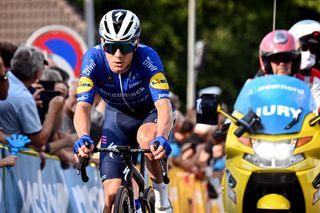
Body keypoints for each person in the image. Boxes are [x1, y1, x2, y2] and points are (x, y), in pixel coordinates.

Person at [73, 9, 174, 213]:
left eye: (125, 47)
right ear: (102, 43)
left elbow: (164, 105)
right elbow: (83, 106)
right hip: (117, 117)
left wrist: (162, 137)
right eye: (111, 47)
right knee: (111, 196)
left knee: (147, 140)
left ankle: (162, 196)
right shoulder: (93, 59)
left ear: (135, 44)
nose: (118, 55)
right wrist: (83, 136)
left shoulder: (148, 58)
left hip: (148, 114)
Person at [0, 45, 64, 150]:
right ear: (37, 74)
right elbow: (38, 142)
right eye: (42, 69)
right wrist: (53, 110)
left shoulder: (6, 81)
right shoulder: (23, 97)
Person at [289, 20, 320, 108]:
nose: (309, 54)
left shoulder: (316, 78)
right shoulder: (276, 72)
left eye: (314, 50)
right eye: (304, 48)